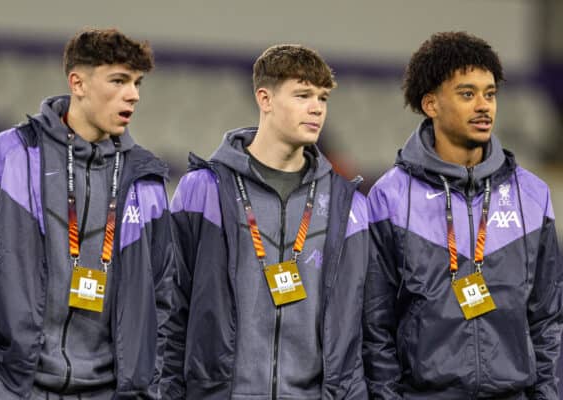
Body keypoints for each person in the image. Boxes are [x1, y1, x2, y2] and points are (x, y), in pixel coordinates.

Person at [0, 27, 172, 399]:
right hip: (14, 389)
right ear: (78, 83)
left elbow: (163, 301)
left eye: (137, 83)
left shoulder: (146, 180)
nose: (133, 95)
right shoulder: (7, 155)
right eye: (119, 80)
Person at [363, 31, 563, 399]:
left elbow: (549, 321)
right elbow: (376, 327)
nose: (484, 106)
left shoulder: (532, 195)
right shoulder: (389, 197)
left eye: (490, 94)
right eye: (467, 94)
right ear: (431, 104)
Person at [163, 44, 369, 399]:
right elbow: (169, 308)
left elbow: (364, 327)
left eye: (322, 98)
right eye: (303, 94)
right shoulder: (203, 190)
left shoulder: (349, 205)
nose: (316, 108)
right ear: (265, 99)